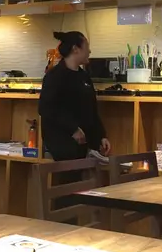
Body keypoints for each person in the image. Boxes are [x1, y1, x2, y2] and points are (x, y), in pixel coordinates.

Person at [39, 31, 111, 161]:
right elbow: (46, 109)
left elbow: (92, 110)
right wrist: (73, 129)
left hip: (84, 146)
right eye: (87, 47)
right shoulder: (54, 76)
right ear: (75, 49)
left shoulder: (84, 77)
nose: (89, 51)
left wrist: (101, 136)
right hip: (61, 145)